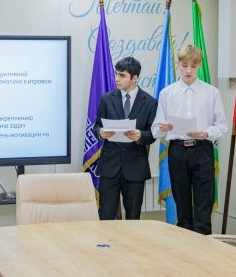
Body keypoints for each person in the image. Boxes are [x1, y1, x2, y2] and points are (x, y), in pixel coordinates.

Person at [151, 45, 227, 235]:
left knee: (204, 201)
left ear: (199, 65)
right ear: (178, 64)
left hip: (202, 150)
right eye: (184, 65)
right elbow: (155, 130)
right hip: (177, 150)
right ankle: (185, 243)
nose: (188, 71)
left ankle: (204, 243)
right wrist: (162, 128)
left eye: (193, 66)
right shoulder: (167, 93)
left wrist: (206, 133)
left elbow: (222, 127)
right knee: (181, 201)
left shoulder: (211, 92)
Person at [93, 57, 158, 220]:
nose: (117, 79)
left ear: (134, 78)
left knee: (133, 217)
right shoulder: (107, 98)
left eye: (122, 75)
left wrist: (140, 135)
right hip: (110, 166)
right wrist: (101, 133)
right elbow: (96, 126)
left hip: (135, 167)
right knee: (106, 214)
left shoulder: (150, 102)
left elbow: (153, 134)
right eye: (116, 74)